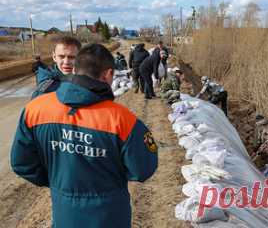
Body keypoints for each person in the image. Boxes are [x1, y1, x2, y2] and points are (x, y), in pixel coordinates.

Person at [11, 44, 158, 228]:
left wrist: (59, 182)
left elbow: (21, 164)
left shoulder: (35, 109)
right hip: (110, 217)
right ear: (108, 74)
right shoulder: (122, 119)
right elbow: (142, 169)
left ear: (75, 69)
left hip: (65, 215)